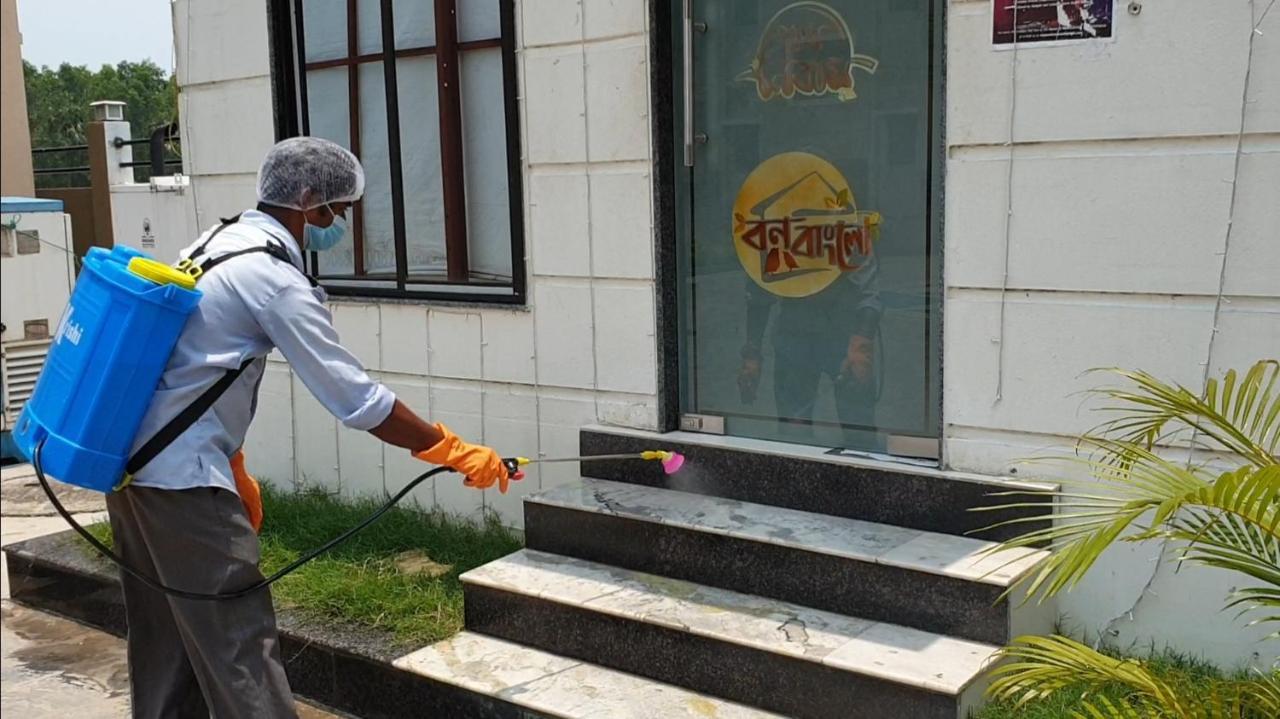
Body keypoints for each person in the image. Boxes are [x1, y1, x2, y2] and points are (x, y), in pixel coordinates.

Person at [107, 136, 509, 719]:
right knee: (239, 645)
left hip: (133, 470)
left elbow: (191, 365)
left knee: (166, 641)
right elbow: (357, 400)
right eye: (337, 212)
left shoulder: (214, 243)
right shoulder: (273, 279)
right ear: (308, 199)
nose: (337, 225)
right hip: (184, 485)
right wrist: (448, 449)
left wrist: (233, 461)